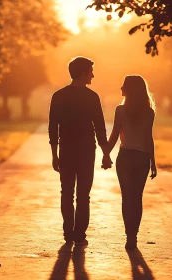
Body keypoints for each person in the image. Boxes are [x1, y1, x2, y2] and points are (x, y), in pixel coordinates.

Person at [48, 56, 112, 246]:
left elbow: (53, 128)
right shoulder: (92, 97)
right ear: (83, 73)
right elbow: (100, 127)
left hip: (66, 150)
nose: (93, 75)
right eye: (91, 71)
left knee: (66, 192)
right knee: (83, 194)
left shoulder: (58, 96)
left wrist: (54, 154)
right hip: (86, 151)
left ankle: (68, 232)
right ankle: (80, 234)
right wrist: (106, 153)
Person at [107, 75, 157, 250]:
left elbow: (114, 135)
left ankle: (129, 235)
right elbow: (148, 139)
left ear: (130, 89)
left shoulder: (120, 110)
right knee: (137, 197)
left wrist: (106, 153)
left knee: (127, 198)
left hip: (126, 157)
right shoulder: (149, 112)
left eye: (124, 85)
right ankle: (133, 235)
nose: (120, 87)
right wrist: (153, 161)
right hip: (142, 158)